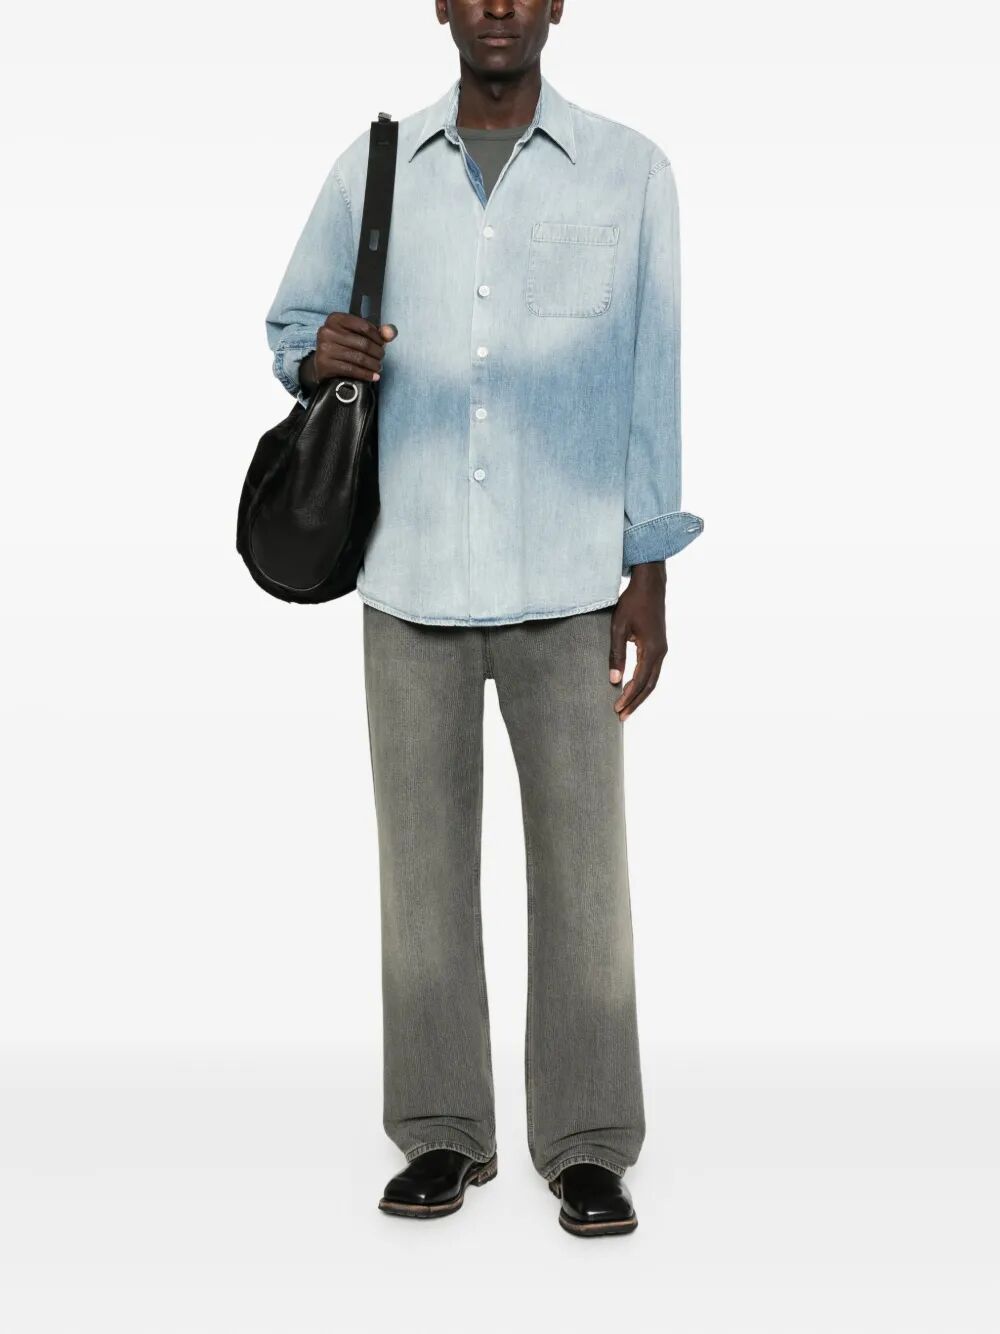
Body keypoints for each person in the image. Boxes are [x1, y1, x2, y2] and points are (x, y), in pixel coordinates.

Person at [264, 0, 703, 1238]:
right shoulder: (374, 168)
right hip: (409, 575)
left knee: (585, 877)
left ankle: (589, 1144)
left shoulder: (630, 171)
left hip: (569, 579)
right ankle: (441, 1131)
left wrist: (649, 563)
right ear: (442, 6)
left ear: (556, 3)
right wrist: (321, 354)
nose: (499, 5)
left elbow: (652, 375)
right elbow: (290, 327)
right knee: (420, 874)